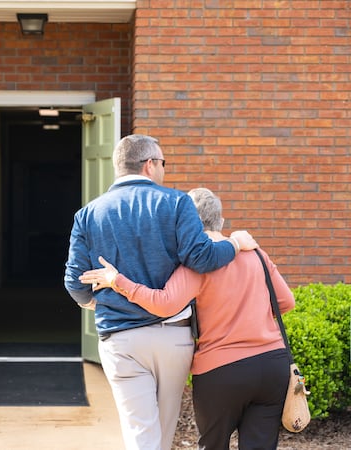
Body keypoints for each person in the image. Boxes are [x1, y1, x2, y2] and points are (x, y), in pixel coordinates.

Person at [63, 134, 258, 450]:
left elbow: (75, 282)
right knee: (163, 436)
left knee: (142, 436)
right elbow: (202, 258)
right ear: (150, 164)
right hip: (172, 337)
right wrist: (234, 244)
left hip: (120, 338)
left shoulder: (88, 214)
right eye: (163, 163)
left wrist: (93, 302)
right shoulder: (177, 202)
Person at [79, 187, 295, 450]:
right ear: (221, 221)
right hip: (271, 364)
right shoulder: (256, 254)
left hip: (222, 369)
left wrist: (117, 281)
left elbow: (163, 303)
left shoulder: (198, 264)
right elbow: (285, 302)